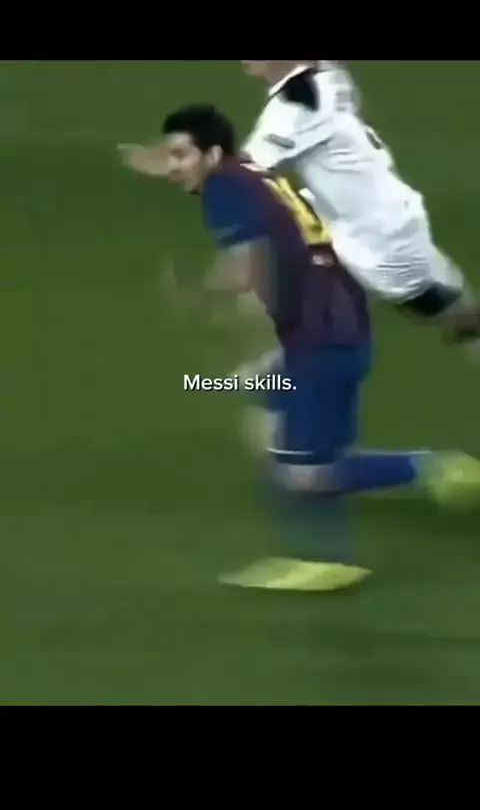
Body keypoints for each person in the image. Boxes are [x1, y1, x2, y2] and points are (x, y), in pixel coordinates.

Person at [120, 103, 480, 593]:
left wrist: (201, 296)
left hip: (319, 342)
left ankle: (333, 552)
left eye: (181, 155)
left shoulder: (225, 190)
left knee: (305, 473)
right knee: (262, 414)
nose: (174, 165)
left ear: (213, 154)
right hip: (337, 325)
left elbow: (249, 265)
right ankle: (413, 472)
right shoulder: (250, 173)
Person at [240, 61, 480, 344]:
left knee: (428, 303)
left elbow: (246, 170)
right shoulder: (328, 75)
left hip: (378, 229)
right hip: (365, 209)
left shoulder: (292, 110)